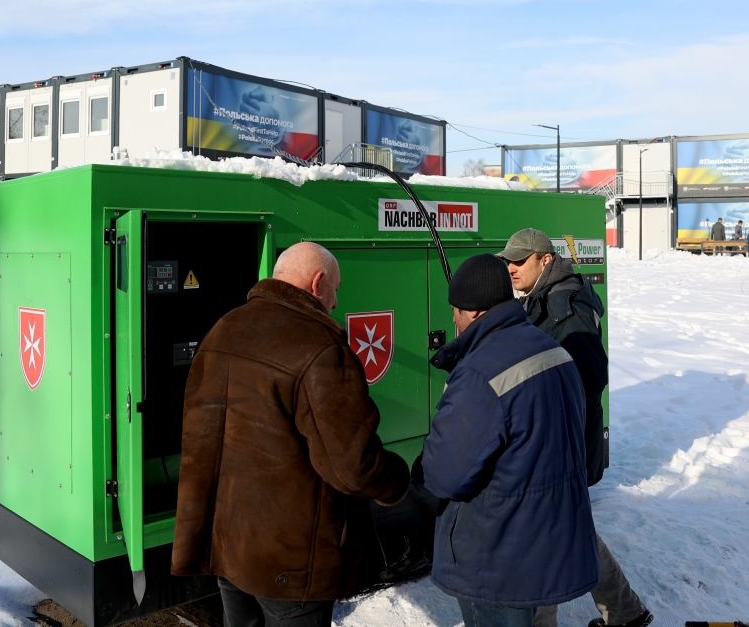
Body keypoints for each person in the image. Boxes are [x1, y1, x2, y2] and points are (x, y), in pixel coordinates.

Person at [171, 241, 410, 627]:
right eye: (336, 289)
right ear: (318, 283)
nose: (334, 302)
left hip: (229, 545)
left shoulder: (224, 328)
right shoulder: (319, 346)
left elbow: (201, 437)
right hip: (290, 561)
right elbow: (352, 464)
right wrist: (397, 482)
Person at [420, 254, 599, 627]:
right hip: (546, 539)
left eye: (454, 309)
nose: (452, 319)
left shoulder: (480, 372)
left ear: (470, 311)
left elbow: (445, 475)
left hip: (498, 556)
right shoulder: (552, 349)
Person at [497, 228, 653, 627]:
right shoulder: (545, 298)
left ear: (544, 260)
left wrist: (550, 430)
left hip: (558, 442)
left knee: (545, 535)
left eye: (520, 260)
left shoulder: (565, 305)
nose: (511, 268)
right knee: (569, 528)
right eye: (509, 261)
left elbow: (588, 377)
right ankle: (625, 612)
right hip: (558, 440)